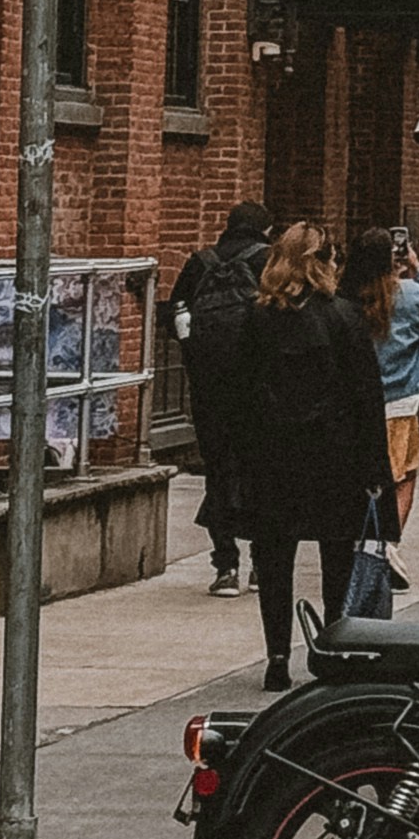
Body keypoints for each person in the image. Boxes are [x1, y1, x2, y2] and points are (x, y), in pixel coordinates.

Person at [235, 221, 393, 690]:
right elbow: (368, 396)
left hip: (273, 459)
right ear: (320, 262)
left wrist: (238, 461)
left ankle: (277, 657)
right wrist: (375, 467)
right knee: (337, 559)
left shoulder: (256, 317)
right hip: (335, 458)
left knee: (275, 560)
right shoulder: (344, 316)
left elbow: (238, 393)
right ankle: (331, 647)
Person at [169, 200, 269, 596]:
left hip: (210, 391)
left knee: (219, 471)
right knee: (263, 475)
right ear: (265, 229)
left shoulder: (200, 262)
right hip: (260, 391)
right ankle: (263, 564)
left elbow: (174, 318)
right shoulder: (268, 261)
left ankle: (225, 565)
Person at [347, 226, 419, 536]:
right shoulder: (410, 294)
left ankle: (365, 538)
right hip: (401, 399)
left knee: (364, 478)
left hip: (358, 402)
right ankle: (388, 542)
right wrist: (418, 268)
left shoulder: (345, 297)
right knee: (403, 476)